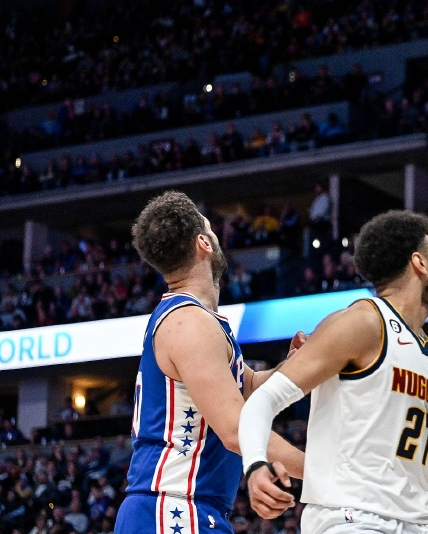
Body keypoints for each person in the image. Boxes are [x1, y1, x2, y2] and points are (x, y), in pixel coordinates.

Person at [238, 211, 428, 532]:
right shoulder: (363, 322)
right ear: (420, 263)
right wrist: (255, 464)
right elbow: (262, 400)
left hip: (420, 523)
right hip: (353, 518)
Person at [115, 191, 304, 534]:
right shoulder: (190, 323)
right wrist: (328, 473)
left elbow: (248, 387)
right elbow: (235, 429)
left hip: (186, 508)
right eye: (212, 231)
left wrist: (297, 367)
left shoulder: (195, 321)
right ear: (204, 243)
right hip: (172, 507)